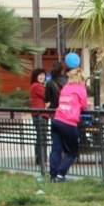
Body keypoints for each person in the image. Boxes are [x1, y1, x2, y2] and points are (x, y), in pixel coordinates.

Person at [49, 53, 88, 183]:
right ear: (81, 78)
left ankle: (53, 175)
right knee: (72, 152)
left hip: (57, 120)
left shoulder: (65, 87)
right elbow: (83, 106)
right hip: (69, 123)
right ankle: (60, 175)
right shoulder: (80, 88)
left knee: (56, 149)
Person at [29, 68, 49, 170]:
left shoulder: (36, 86)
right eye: (40, 75)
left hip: (38, 115)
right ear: (35, 77)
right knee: (42, 137)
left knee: (40, 137)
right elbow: (47, 96)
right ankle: (43, 160)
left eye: (43, 75)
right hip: (40, 115)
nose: (42, 77)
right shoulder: (37, 86)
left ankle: (39, 159)